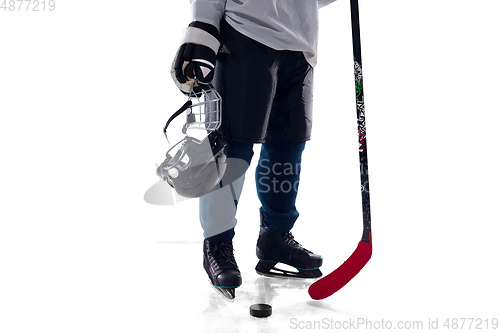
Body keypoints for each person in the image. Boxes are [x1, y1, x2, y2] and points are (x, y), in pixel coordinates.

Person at [171, 0, 337, 300]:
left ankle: (275, 236)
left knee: (288, 147)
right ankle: (217, 245)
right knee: (232, 148)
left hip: (301, 42)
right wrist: (203, 24)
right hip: (245, 31)